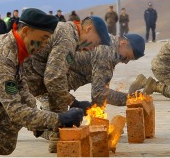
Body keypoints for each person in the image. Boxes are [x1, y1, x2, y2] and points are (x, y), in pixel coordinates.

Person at [0, 8, 84, 157]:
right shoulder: (3, 56)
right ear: (26, 31)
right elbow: (15, 110)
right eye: (44, 38)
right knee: (16, 114)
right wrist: (59, 118)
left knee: (7, 142)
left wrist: (39, 123)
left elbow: (21, 91)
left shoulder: (15, 49)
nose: (45, 44)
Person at [21, 15, 110, 152]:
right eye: (95, 42)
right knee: (6, 133)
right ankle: (56, 135)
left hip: (24, 82)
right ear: (89, 29)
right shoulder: (67, 38)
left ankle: (54, 135)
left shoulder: (69, 34)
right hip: (15, 83)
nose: (92, 48)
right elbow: (54, 79)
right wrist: (74, 103)